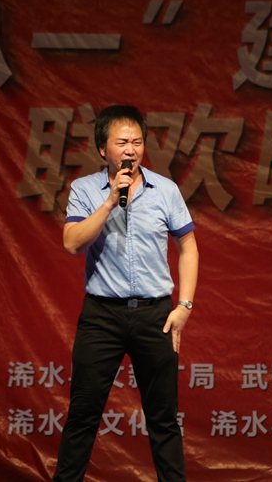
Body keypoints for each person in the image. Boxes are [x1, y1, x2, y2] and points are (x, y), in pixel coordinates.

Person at [53, 104, 199, 482]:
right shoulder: (85, 190)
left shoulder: (165, 190)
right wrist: (108, 202)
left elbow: (188, 248)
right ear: (103, 149)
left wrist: (184, 306)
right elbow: (72, 243)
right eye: (122, 142)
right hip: (102, 316)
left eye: (137, 142)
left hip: (155, 315)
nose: (131, 149)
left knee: (163, 418)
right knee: (83, 414)